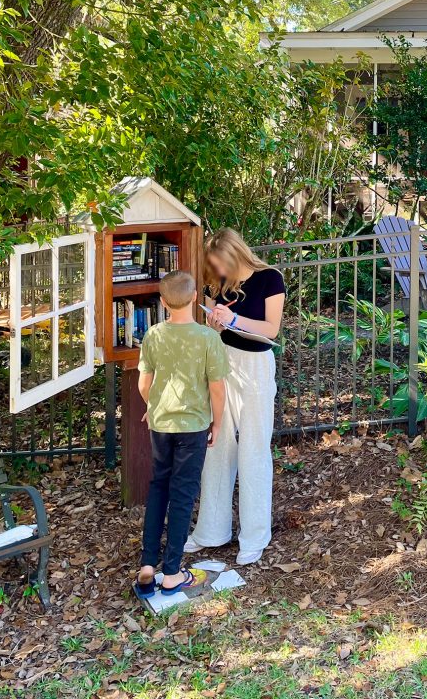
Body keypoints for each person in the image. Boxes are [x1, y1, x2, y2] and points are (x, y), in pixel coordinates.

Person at [184, 228, 285, 566]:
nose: (218, 272)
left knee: (253, 449)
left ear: (234, 253)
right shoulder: (221, 285)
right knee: (217, 446)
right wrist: (216, 323)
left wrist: (237, 318)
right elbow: (216, 328)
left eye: (220, 263)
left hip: (255, 365)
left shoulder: (270, 279)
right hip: (224, 362)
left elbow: (271, 330)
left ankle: (254, 536)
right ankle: (211, 531)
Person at [134, 270, 228, 597]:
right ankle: (172, 572)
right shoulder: (207, 339)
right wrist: (216, 423)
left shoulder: (154, 335)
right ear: (194, 299)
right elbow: (217, 390)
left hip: (161, 425)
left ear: (162, 302)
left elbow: (143, 385)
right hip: (193, 427)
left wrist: (155, 406)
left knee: (159, 486)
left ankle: (148, 566)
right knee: (183, 494)